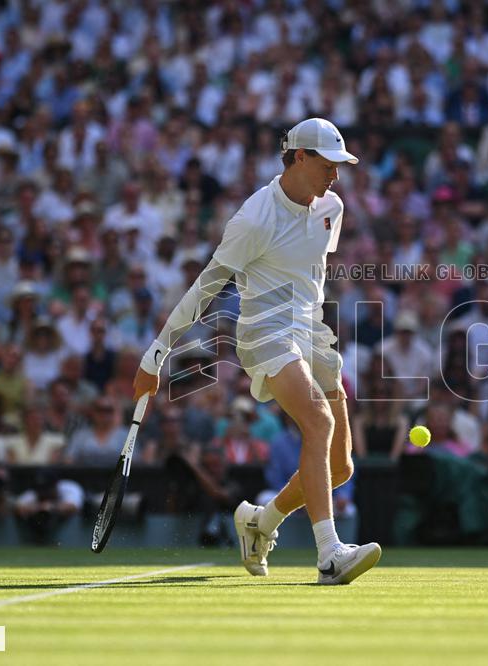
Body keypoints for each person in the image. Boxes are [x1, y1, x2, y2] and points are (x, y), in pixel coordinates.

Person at [131, 118, 380, 584]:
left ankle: (259, 522)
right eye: (329, 164)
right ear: (299, 157)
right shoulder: (252, 219)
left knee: (339, 467)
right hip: (264, 330)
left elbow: (311, 276)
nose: (336, 175)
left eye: (340, 167)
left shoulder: (334, 207)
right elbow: (204, 290)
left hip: (311, 328)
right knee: (318, 422)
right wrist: (154, 358)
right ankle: (329, 555)